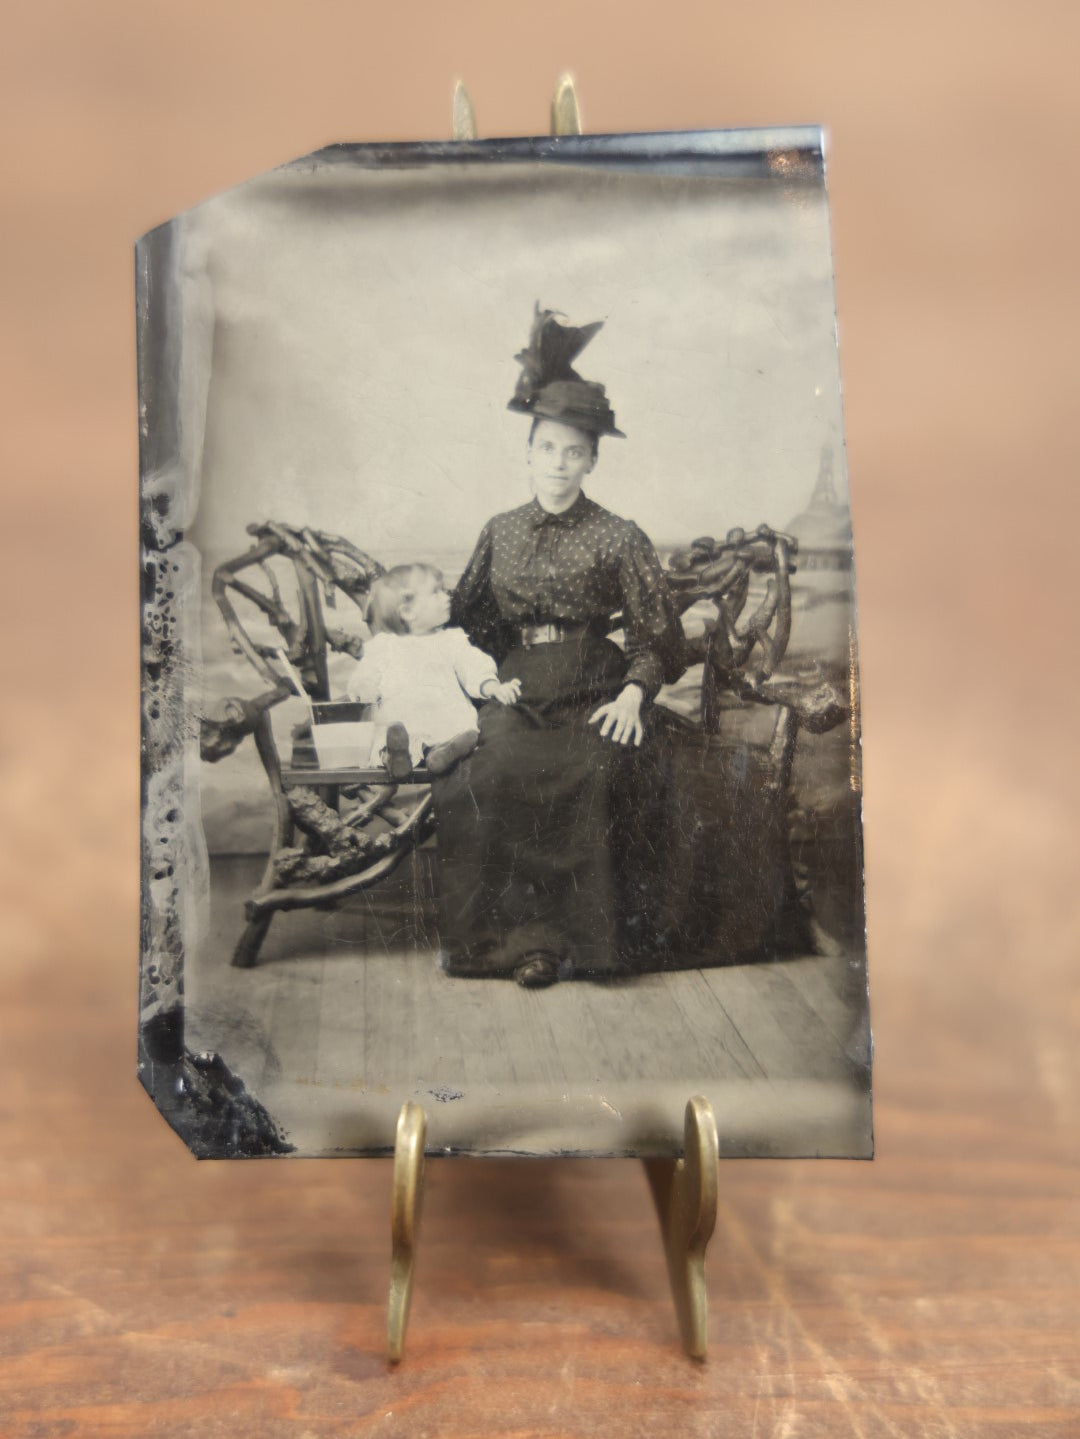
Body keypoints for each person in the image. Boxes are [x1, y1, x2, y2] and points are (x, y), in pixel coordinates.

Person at [432, 306, 686, 987]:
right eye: (547, 447)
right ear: (528, 450)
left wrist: (635, 692)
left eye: (575, 451)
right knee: (489, 777)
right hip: (520, 686)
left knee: (598, 775)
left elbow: (656, 633)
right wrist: (480, 678)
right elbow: (468, 619)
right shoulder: (501, 529)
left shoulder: (617, 535)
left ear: (594, 459)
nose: (559, 463)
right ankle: (512, 944)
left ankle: (585, 946)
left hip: (594, 685)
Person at [345, 564, 521, 778]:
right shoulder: (384, 645)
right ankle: (395, 757)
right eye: (435, 593)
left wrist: (493, 686)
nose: (446, 596)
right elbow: (365, 676)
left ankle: (446, 752)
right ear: (408, 612)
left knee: (459, 730)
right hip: (403, 720)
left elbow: (472, 666)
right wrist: (365, 688)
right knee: (390, 734)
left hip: (444, 716)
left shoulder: (451, 640)